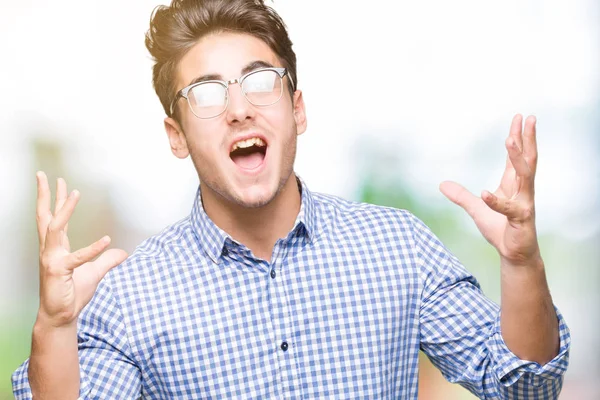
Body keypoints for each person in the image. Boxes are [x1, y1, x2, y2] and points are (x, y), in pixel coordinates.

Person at [12, 0, 570, 399]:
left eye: (258, 81)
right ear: (176, 136)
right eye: (206, 93)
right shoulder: (130, 299)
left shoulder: (398, 247)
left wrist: (523, 264)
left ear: (297, 109)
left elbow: (528, 386)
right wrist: (53, 328)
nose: (238, 109)